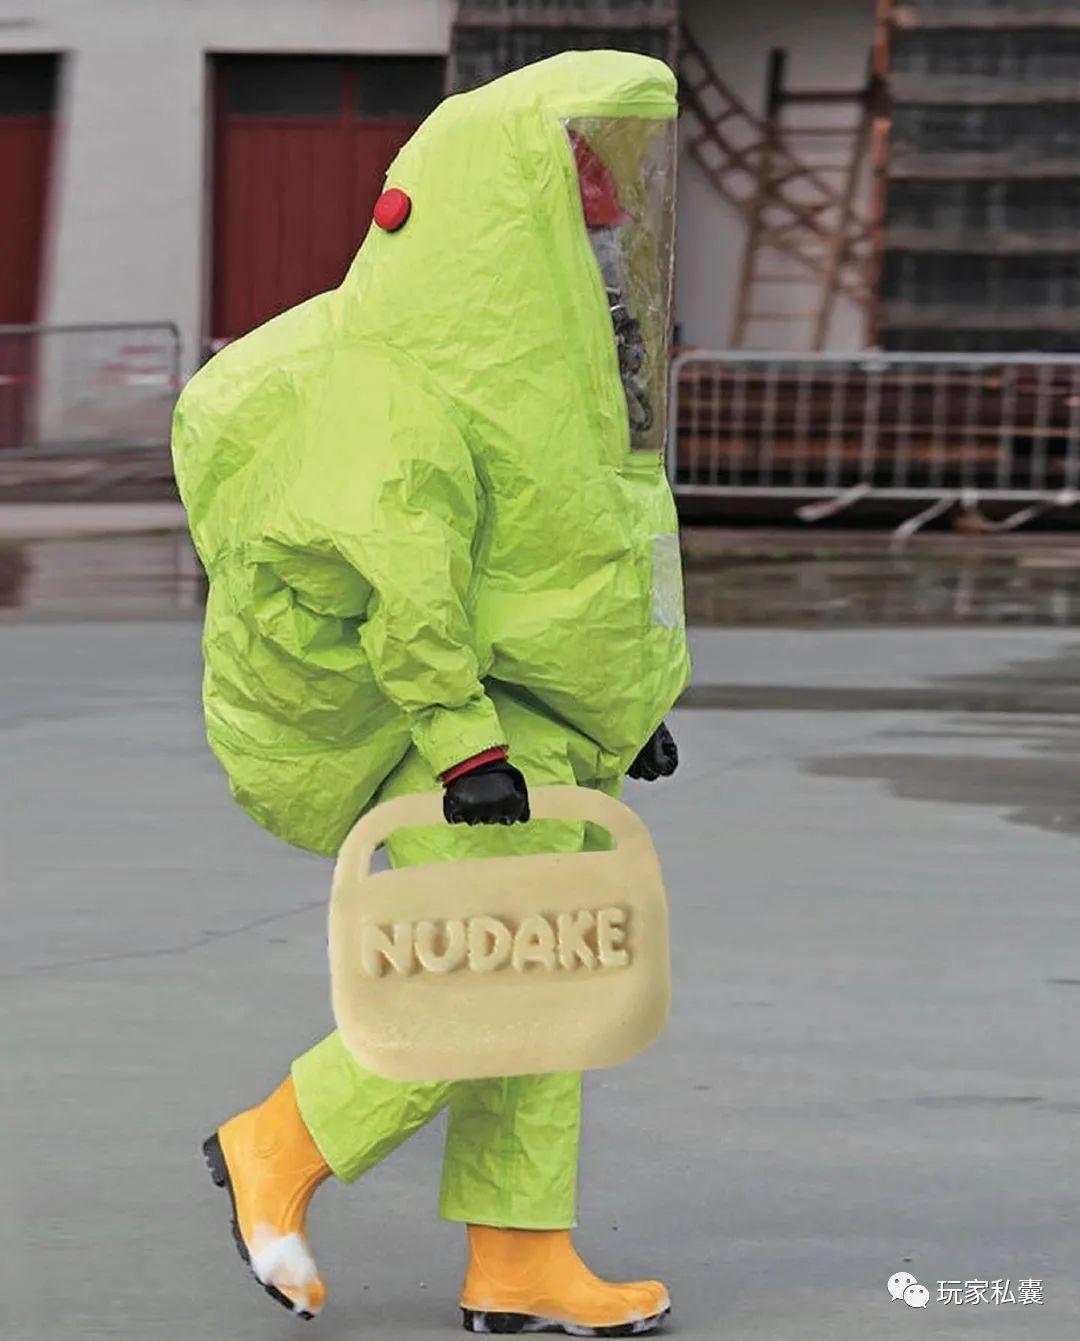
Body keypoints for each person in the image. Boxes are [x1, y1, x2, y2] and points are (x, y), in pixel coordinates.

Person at [172, 48, 689, 1337]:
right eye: (577, 194)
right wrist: (465, 748)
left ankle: (519, 1260)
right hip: (472, 736)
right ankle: (279, 1139)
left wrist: (626, 703)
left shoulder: (540, 357)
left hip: (542, 726)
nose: (606, 224)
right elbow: (409, 586)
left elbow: (565, 546)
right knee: (499, 986)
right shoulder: (405, 373)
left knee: (551, 991)